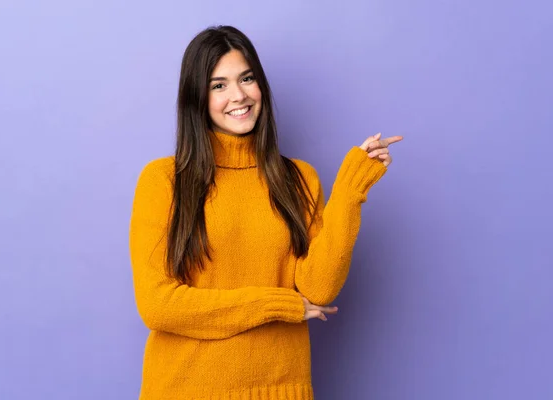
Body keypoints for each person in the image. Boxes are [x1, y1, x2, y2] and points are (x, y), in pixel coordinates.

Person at [129, 25, 402, 400]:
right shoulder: (164, 180)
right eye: (218, 85)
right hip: (186, 389)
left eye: (246, 78)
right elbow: (158, 306)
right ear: (197, 97)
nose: (238, 95)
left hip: (282, 388)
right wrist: (277, 304)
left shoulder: (299, 178)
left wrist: (350, 193)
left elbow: (318, 289)